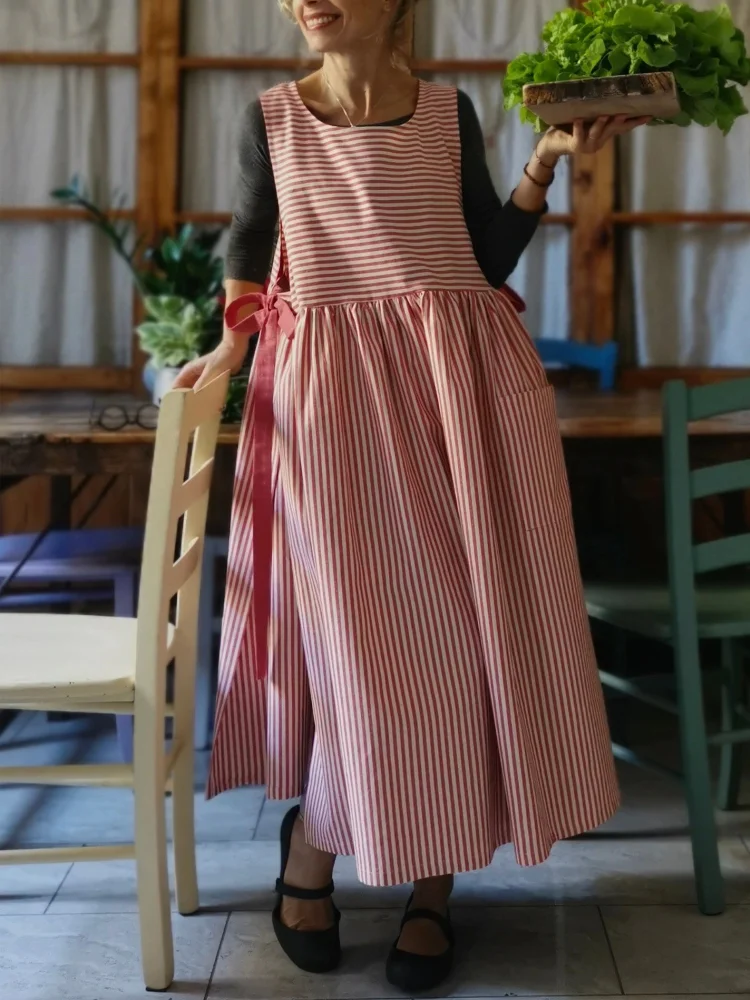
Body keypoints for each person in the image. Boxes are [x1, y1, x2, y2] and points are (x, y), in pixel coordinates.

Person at [174, 0, 650, 991]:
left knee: (456, 637)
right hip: (332, 404)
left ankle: (432, 886)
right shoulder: (271, 116)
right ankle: (314, 846)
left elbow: (480, 259)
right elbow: (249, 243)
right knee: (359, 646)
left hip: (456, 397)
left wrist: (546, 160)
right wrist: (228, 344)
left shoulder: (448, 113)